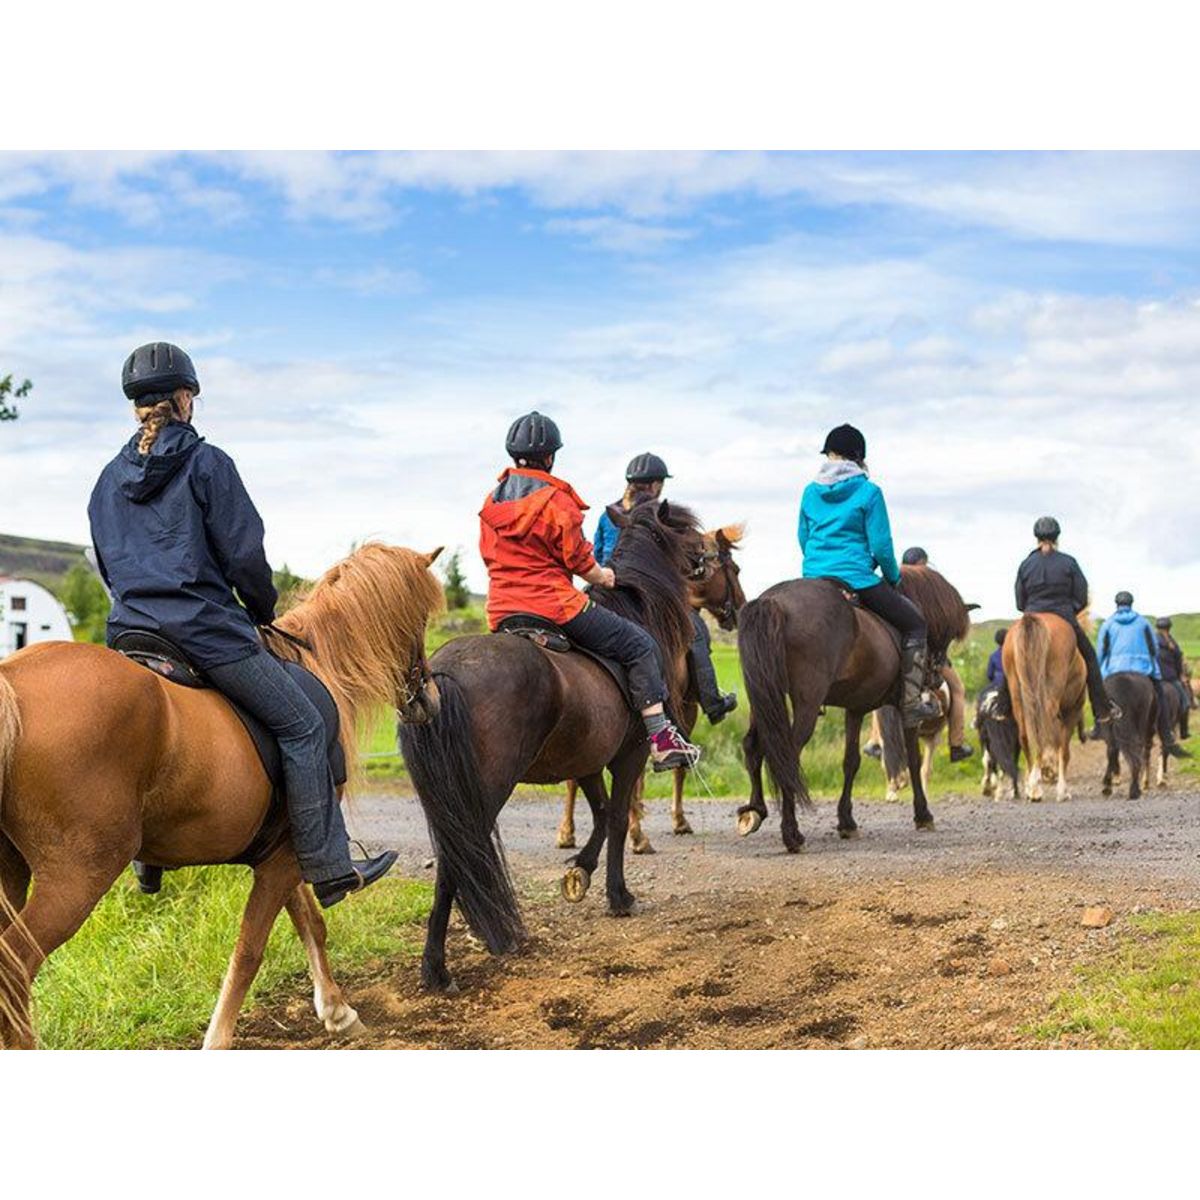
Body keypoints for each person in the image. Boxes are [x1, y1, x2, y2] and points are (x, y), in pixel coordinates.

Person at [88, 342, 397, 908]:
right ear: (186, 398)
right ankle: (330, 867)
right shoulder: (209, 465)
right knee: (304, 723)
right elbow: (245, 556)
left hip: (129, 635)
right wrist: (260, 611)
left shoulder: (107, 480)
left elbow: (109, 565)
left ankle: (148, 863)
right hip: (203, 633)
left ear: (137, 406)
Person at [479, 412, 701, 771]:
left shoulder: (492, 502)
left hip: (503, 610)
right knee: (639, 645)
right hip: (554, 607)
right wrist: (603, 577)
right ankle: (662, 740)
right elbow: (577, 558)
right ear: (551, 457)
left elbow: (488, 555)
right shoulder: (557, 500)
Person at [798, 424, 939, 727]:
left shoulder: (810, 492)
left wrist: (816, 567)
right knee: (915, 624)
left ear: (829, 455)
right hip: (857, 577)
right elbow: (882, 547)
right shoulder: (869, 491)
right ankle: (912, 703)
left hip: (814, 579)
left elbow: (803, 537)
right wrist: (892, 577)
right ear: (859, 457)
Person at [594, 452, 737, 724]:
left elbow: (598, 554)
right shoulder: (661, 514)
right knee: (696, 631)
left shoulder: (608, 515)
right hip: (648, 597)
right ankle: (713, 701)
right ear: (657, 485)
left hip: (608, 591)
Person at [1014, 516, 1119, 730]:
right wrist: (1069, 609)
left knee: (1013, 662)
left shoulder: (1025, 564)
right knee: (1090, 657)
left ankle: (1003, 705)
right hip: (1063, 615)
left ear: (1036, 538)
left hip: (1030, 615)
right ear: (1057, 537)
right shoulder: (1068, 562)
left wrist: (1032, 608)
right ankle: (1102, 709)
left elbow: (1019, 601)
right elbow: (1081, 595)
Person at [1097, 593, 1189, 758]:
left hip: (1114, 669)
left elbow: (1101, 650)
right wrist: (1152, 666)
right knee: (1160, 697)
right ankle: (1166, 733)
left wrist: (1099, 670)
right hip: (1141, 669)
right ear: (1132, 603)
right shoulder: (1143, 623)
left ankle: (1098, 727)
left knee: (1099, 696)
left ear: (1116, 604)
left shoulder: (1108, 624)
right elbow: (1153, 648)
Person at [1155, 616, 1192, 738]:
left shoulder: (1151, 641)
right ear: (1169, 628)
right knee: (1185, 703)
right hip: (1170, 678)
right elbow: (1178, 660)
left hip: (1153, 677)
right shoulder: (1172, 643)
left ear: (1157, 628)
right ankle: (1184, 732)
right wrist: (1181, 675)